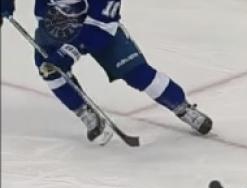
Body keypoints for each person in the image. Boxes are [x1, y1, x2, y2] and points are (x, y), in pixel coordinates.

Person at [0, 0, 212, 144]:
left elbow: (101, 27)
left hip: (98, 31)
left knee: (138, 74)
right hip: (53, 25)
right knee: (48, 69)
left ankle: (182, 107)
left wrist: (70, 52)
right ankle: (85, 112)